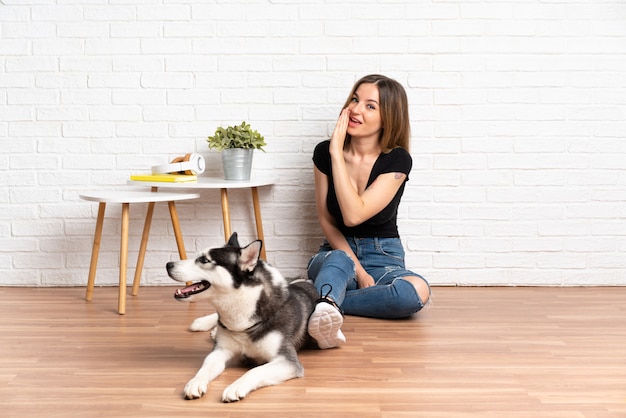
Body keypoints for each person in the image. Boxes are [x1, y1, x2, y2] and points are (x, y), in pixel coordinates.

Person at [307, 74, 431, 349]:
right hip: (336, 257)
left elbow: (356, 213)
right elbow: (329, 220)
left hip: (383, 256)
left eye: (370, 105)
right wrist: (336, 153)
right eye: (355, 99)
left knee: (416, 292)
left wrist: (367, 273)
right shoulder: (324, 154)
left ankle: (323, 301)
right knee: (338, 261)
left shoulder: (397, 159)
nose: (355, 109)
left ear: (388, 117)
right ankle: (328, 300)